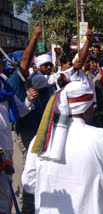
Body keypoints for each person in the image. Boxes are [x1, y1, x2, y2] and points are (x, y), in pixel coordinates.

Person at [22, 81, 103, 214]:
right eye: (92, 105)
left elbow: (29, 183)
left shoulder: (41, 139)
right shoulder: (102, 137)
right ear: (86, 109)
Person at [0, 58, 39, 214]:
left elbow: (20, 110)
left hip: (5, 145)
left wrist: (29, 99)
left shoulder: (4, 82)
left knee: (4, 195)